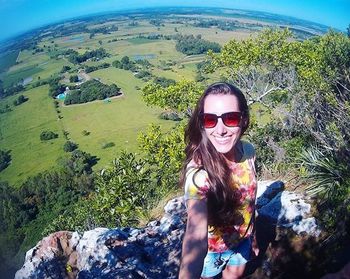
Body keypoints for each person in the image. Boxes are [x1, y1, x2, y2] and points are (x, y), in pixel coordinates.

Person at [178, 82, 258, 279]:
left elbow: (251, 200)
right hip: (211, 253)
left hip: (242, 242)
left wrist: (253, 235)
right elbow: (195, 237)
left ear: (244, 119)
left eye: (230, 118)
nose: (220, 130)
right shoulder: (199, 173)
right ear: (202, 123)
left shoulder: (248, 151)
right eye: (210, 119)